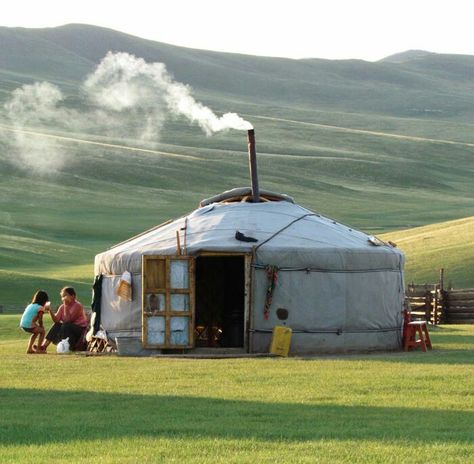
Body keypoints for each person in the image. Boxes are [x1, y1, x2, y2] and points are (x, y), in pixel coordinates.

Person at [41, 287, 88, 352]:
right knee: (57, 325)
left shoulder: (78, 306)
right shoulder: (62, 307)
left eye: (65, 296)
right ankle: (44, 346)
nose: (63, 298)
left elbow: (68, 320)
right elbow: (56, 320)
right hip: (68, 329)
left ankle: (67, 346)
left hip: (80, 330)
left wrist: (66, 306)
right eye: (62, 296)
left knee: (66, 325)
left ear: (73, 296)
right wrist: (50, 310)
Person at [19, 290, 50, 354]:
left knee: (36, 333)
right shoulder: (40, 308)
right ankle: (38, 349)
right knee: (42, 332)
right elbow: (40, 320)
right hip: (29, 324)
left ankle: (29, 349)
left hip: (23, 324)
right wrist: (41, 326)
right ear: (44, 300)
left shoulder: (31, 305)